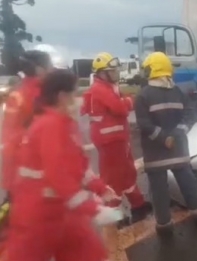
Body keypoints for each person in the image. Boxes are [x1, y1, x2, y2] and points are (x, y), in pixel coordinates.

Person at [7, 69, 123, 261]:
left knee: (90, 253)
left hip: (61, 211)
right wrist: (93, 208)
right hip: (38, 216)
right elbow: (58, 174)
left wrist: (100, 188)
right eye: (74, 93)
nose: (77, 99)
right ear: (62, 96)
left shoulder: (64, 124)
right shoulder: (50, 126)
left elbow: (80, 166)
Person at [135, 52, 197, 237]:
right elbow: (190, 115)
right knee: (188, 182)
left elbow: (144, 124)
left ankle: (164, 226)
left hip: (155, 153)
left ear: (153, 69)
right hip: (179, 149)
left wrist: (162, 138)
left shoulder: (144, 95)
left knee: (159, 191)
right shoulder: (179, 92)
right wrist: (177, 134)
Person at [81, 52, 150, 224]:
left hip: (116, 139)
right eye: (112, 71)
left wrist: (126, 97)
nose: (116, 73)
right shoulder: (100, 89)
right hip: (110, 141)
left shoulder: (106, 87)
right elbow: (120, 108)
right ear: (103, 73)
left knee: (127, 173)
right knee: (113, 179)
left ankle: (138, 205)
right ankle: (113, 215)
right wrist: (129, 101)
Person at [1, 50, 53, 195]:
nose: (51, 70)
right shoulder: (39, 95)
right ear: (39, 69)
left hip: (14, 163)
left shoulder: (18, 92)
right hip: (28, 167)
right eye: (49, 66)